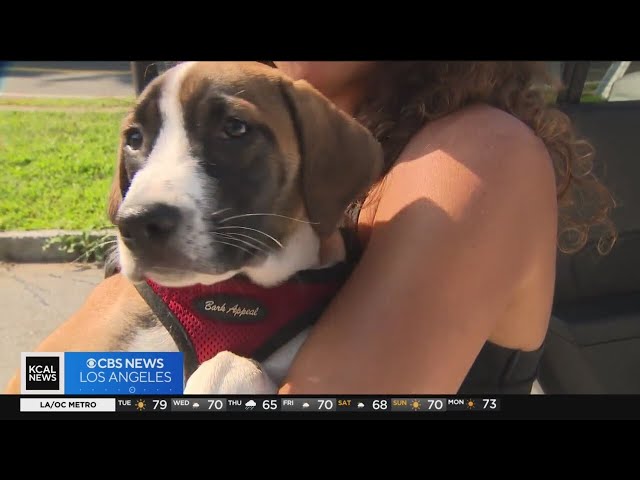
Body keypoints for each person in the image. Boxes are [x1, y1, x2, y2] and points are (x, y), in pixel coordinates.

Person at [4, 61, 615, 394]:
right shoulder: (273, 138)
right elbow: (36, 384)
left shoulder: (475, 154)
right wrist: (146, 369)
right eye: (139, 141)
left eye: (235, 130)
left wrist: (221, 375)